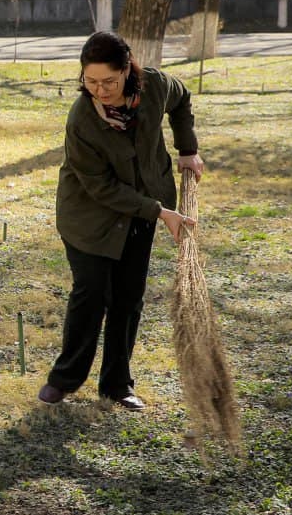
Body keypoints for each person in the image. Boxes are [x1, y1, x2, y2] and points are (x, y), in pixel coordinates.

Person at [38, 31, 203, 412]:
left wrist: (188, 149)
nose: (100, 90)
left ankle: (116, 384)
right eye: (90, 81)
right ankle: (64, 379)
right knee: (91, 294)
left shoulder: (156, 87)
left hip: (142, 211)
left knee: (128, 297)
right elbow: (101, 187)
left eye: (109, 81)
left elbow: (182, 101)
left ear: (127, 70)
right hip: (89, 217)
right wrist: (160, 212)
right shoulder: (82, 120)